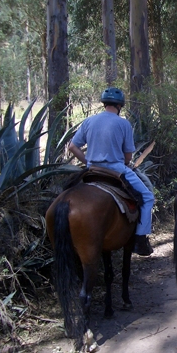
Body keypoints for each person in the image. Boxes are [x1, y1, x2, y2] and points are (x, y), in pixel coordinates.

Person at [68, 87, 154, 256]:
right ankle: (140, 239)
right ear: (120, 105)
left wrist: (88, 162)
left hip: (91, 168)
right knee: (147, 196)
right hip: (116, 168)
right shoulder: (123, 123)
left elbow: (72, 147)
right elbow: (128, 157)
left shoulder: (89, 121)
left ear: (104, 103)